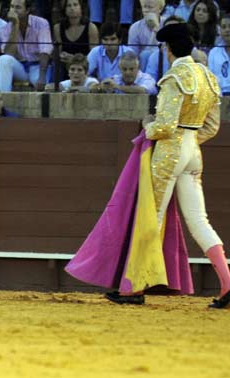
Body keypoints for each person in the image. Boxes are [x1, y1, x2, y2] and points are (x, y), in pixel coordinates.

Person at [69, 23, 230, 309]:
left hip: (169, 153)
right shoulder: (208, 76)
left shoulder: (173, 78)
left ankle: (134, 289)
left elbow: (165, 125)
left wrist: (148, 126)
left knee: (150, 217)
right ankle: (228, 284)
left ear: (167, 49)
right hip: (193, 152)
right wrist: (190, 140)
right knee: (199, 221)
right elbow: (212, 126)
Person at [0, 0, 53, 91]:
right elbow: (9, 53)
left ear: (27, 10)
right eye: (12, 7)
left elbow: (45, 51)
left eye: (18, 7)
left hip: (37, 67)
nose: (13, 10)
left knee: (42, 88)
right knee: (4, 59)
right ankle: (3, 98)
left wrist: (42, 76)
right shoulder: (6, 27)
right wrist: (15, 25)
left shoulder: (41, 23)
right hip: (20, 67)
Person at [52, 0, 99, 80]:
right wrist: (62, 56)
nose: (72, 8)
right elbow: (58, 53)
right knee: (56, 67)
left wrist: (74, 59)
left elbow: (94, 56)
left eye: (75, 5)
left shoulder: (91, 28)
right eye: (69, 6)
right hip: (65, 66)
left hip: (85, 66)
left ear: (81, 8)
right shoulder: (57, 28)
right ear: (65, 9)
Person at [93, 51, 157, 95]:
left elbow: (143, 91)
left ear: (138, 68)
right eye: (124, 69)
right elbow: (94, 89)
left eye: (131, 69)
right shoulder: (116, 79)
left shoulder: (147, 78)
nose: (128, 72)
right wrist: (101, 87)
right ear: (119, 68)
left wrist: (118, 87)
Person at [128, 0, 166, 71]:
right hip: (143, 66)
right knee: (145, 55)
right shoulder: (135, 27)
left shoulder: (167, 24)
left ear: (160, 9)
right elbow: (133, 55)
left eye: (150, 7)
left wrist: (157, 28)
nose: (147, 10)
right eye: (144, 7)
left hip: (164, 62)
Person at [208, 13, 230, 95]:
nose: (227, 30)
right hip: (220, 97)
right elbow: (211, 80)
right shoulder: (213, 52)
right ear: (219, 30)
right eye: (224, 27)